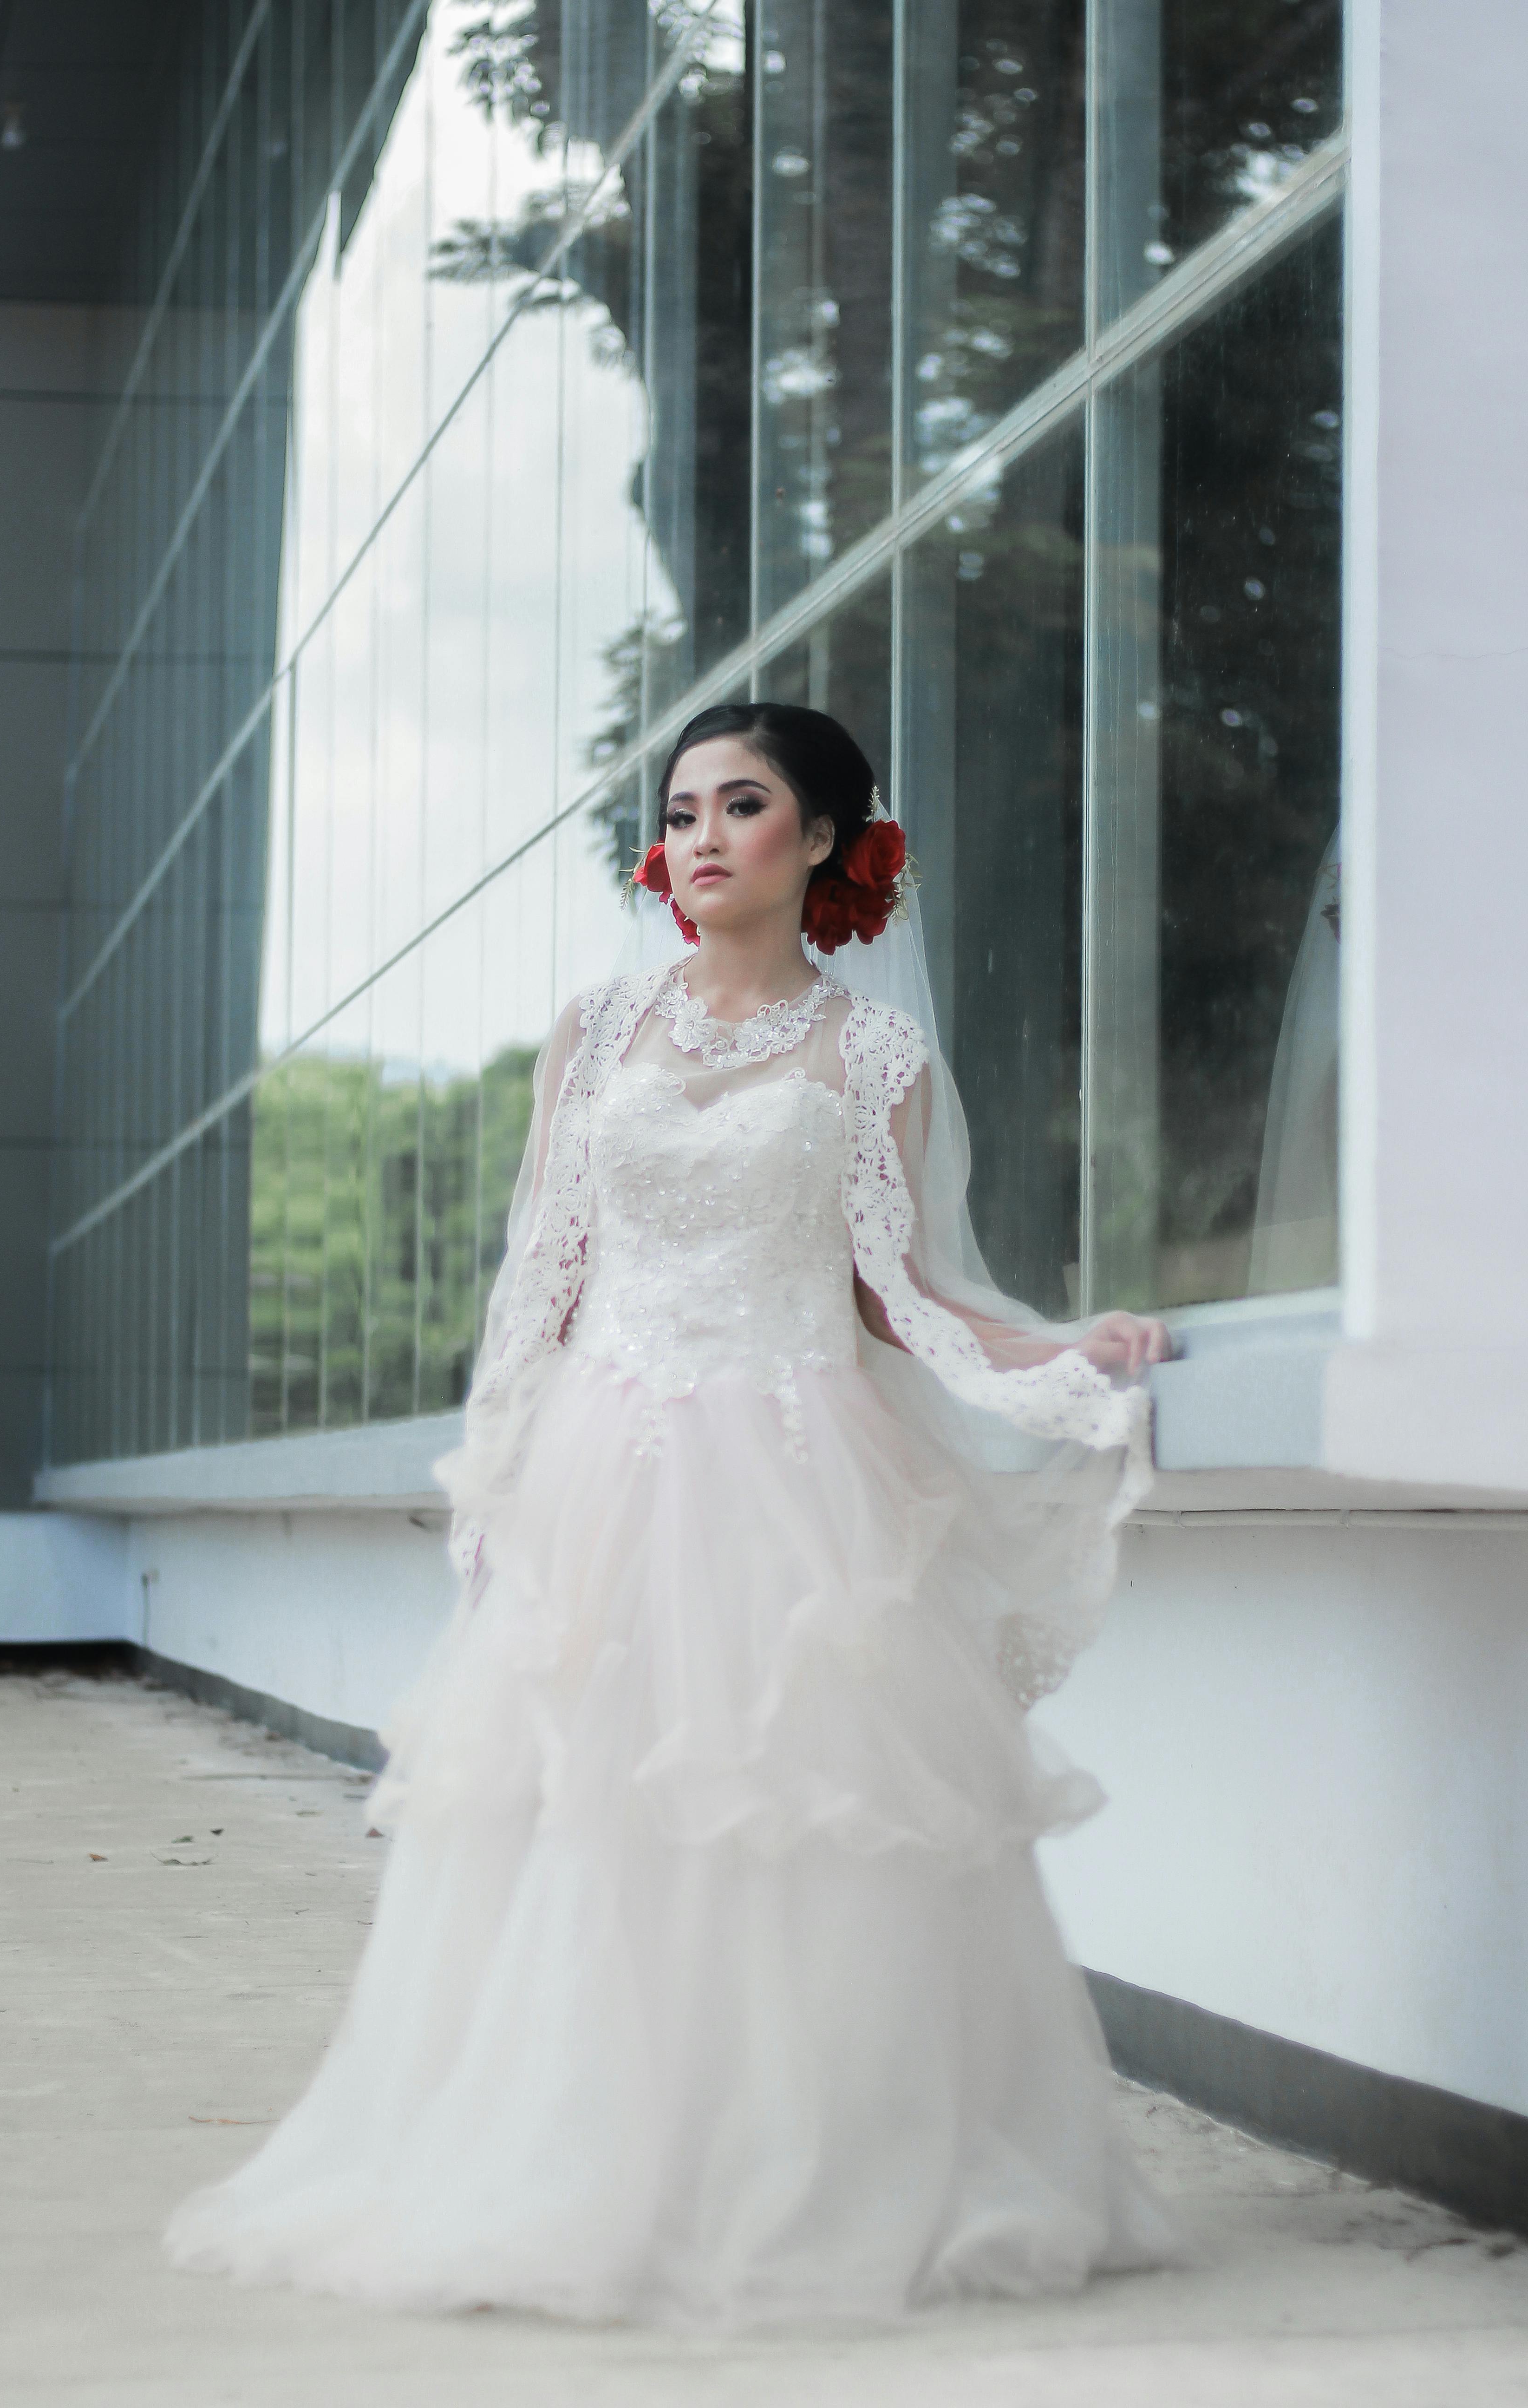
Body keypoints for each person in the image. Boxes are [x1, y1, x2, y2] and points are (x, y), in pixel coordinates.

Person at [166, 703, 1178, 2326]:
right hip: (604, 1475)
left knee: (798, 1837)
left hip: (799, 1483)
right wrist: (495, 1480)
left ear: (829, 842)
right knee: (590, 1830)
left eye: (744, 805)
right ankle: (574, 2165)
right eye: (682, 810)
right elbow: (541, 1281)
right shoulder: (600, 1029)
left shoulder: (873, 1055)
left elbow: (907, 1294)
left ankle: (794, 2171)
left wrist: (1075, 1363)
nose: (700, 837)